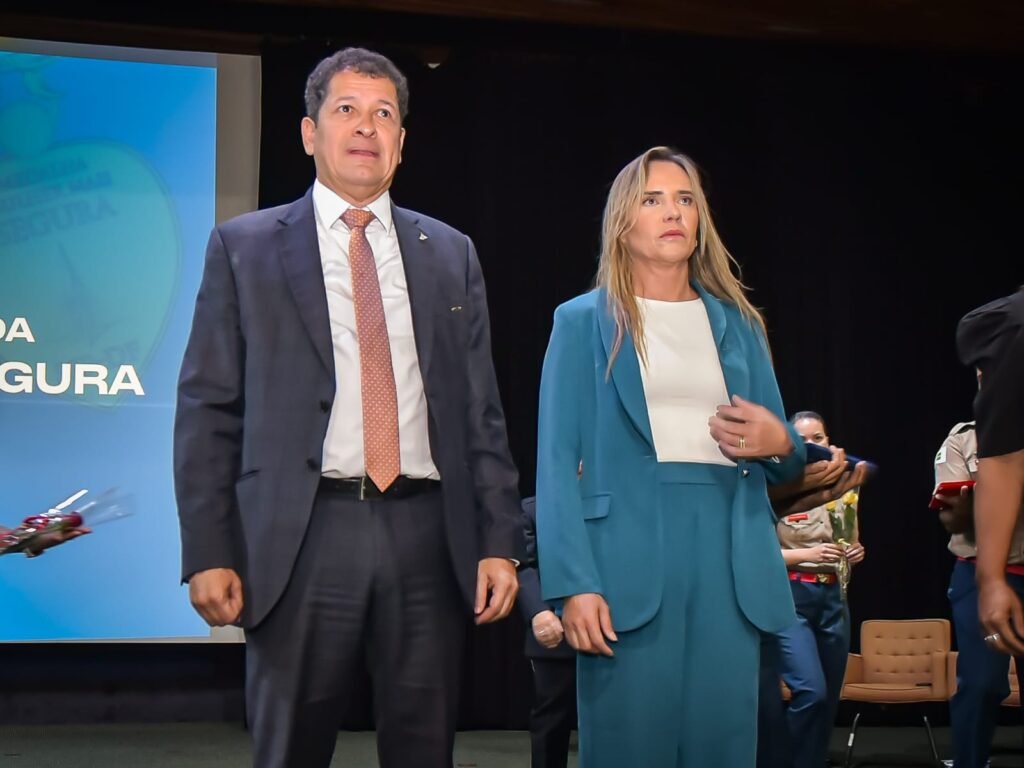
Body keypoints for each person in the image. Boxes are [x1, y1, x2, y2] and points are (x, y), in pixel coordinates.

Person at [174, 47, 522, 768]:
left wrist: (500, 539)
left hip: (429, 534)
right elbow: (209, 410)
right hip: (303, 536)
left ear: (402, 141)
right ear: (310, 133)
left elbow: (481, 414)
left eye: (383, 114)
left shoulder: (450, 252)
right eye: (346, 110)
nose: (366, 127)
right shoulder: (245, 247)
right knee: (290, 749)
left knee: (424, 749)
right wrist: (208, 550)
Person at [536, 146, 806, 767]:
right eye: (652, 200)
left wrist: (783, 443)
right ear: (621, 221)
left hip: (730, 560)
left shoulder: (740, 324)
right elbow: (554, 465)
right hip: (622, 567)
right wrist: (573, 584)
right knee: (630, 749)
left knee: (723, 750)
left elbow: (785, 462)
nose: (672, 212)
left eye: (685, 200)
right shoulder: (581, 322)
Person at [757, 411, 866, 768]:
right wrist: (806, 554)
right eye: (801, 439)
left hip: (834, 597)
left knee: (828, 700)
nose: (811, 445)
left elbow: (850, 538)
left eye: (818, 438)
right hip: (791, 595)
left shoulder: (846, 482)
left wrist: (855, 551)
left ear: (828, 441)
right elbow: (756, 552)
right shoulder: (776, 484)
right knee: (811, 691)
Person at [934, 411, 1024, 768]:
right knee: (982, 683)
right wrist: (974, 502)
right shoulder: (963, 439)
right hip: (979, 573)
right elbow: (949, 519)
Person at [957, 287, 1024, 657]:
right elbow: (1005, 456)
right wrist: (991, 578)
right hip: (998, 561)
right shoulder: (1015, 326)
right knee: (983, 679)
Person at [517, 495, 577, 768]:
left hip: (615, 627)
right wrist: (538, 611)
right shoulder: (534, 509)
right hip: (554, 630)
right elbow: (522, 564)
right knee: (552, 718)